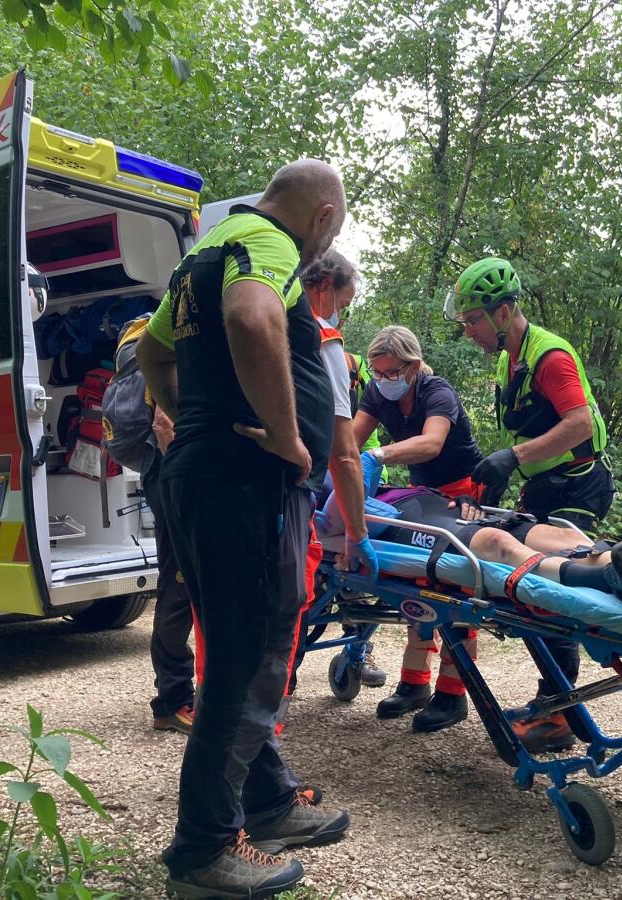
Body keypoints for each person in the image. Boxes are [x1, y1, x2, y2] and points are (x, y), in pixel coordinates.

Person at [136, 160, 361, 898]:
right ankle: (202, 851)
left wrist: (180, 418)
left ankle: (265, 804)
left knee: (246, 643)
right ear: (323, 215)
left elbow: (153, 349)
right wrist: (289, 436)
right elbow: (252, 317)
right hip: (245, 482)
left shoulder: (204, 252)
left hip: (204, 475)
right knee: (247, 659)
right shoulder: (267, 243)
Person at [447, 257, 614, 754]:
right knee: (535, 582)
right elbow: (528, 425)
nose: (470, 331)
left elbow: (579, 423)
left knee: (551, 579)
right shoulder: (509, 359)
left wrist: (513, 457)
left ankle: (559, 714)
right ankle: (557, 703)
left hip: (579, 481)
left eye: (474, 320)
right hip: (545, 482)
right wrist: (505, 472)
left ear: (502, 313)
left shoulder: (549, 356)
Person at [353, 325, 485, 732]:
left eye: (390, 372)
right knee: (417, 585)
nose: (383, 381)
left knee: (456, 589)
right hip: (422, 492)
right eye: (377, 373)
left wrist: (380, 453)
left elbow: (431, 443)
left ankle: (452, 694)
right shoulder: (378, 391)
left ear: (412, 366)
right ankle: (414, 684)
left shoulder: (436, 392)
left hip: (463, 491)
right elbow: (353, 437)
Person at [314, 479, 622, 603]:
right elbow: (335, 511)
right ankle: (603, 579)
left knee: (559, 534)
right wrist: (367, 461)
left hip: (431, 502)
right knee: (497, 544)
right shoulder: (313, 489)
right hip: (397, 524)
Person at [300, 250, 387, 691]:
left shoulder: (257, 317)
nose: (343, 314)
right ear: (323, 285)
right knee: (289, 606)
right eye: (344, 301)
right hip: (298, 491)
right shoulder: (321, 339)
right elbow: (345, 453)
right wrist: (357, 535)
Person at [144, 404, 197, 735]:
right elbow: (164, 423)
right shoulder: (173, 352)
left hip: (180, 475)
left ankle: (175, 698)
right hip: (179, 479)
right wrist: (181, 485)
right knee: (178, 590)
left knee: (182, 587)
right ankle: (172, 701)